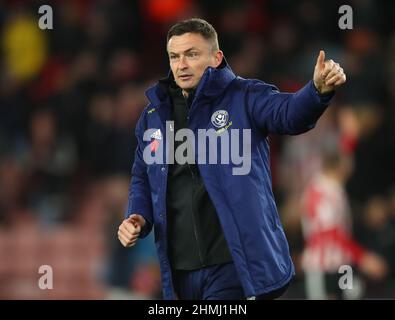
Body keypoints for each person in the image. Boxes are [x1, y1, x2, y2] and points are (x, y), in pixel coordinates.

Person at [118, 18, 347, 300]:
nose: (182, 64)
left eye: (192, 54)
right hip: (178, 272)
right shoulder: (154, 116)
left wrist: (316, 92)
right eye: (174, 57)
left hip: (231, 266)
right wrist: (137, 215)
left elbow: (289, 114)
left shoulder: (245, 96)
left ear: (216, 58)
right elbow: (143, 175)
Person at [300, 150, 388, 299]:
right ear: (340, 166)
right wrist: (364, 258)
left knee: (356, 292)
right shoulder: (322, 191)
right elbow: (331, 232)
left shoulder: (332, 189)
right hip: (324, 267)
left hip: (340, 263)